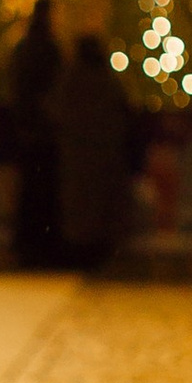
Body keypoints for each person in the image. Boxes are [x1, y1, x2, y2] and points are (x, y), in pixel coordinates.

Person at [55, 30, 134, 266]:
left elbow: (54, 110)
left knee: (82, 206)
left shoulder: (72, 80)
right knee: (96, 206)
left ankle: (84, 251)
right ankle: (96, 251)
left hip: (80, 156)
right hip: (99, 155)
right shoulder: (105, 81)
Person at [7, 0, 64, 269]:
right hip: (42, 132)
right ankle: (41, 245)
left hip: (30, 131)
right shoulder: (47, 49)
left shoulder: (26, 48)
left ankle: (30, 245)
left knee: (32, 191)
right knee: (42, 191)